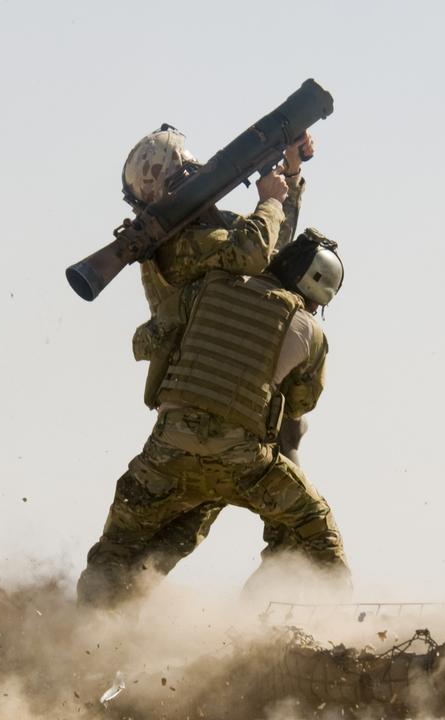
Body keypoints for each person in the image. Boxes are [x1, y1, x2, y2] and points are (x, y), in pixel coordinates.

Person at [77, 233, 350, 607]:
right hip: (243, 464)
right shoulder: (309, 331)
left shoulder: (209, 287)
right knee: (314, 525)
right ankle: (338, 624)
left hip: (166, 456)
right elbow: (302, 403)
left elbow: (144, 343)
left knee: (121, 545)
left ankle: (86, 631)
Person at [122, 125, 317, 581]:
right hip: (225, 404)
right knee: (297, 520)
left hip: (213, 398)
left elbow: (273, 246)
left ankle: (107, 621)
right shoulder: (184, 244)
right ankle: (280, 611)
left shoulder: (191, 235)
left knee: (178, 529)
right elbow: (253, 253)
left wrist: (290, 170)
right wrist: (269, 197)